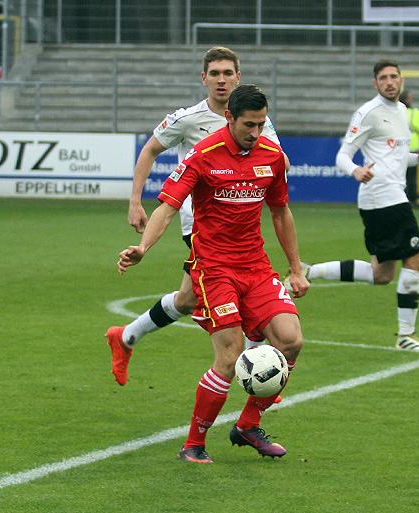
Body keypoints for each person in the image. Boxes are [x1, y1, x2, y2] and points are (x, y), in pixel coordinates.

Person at [117, 84, 309, 463]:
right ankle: (193, 444)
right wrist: (143, 248)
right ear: (229, 118)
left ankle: (247, 425)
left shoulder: (271, 156)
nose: (256, 132)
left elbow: (280, 212)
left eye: (261, 124)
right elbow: (168, 207)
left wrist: (295, 268)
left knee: (291, 342)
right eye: (249, 125)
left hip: (255, 265)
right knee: (231, 354)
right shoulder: (202, 155)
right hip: (214, 268)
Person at [105, 46, 287, 386]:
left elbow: (281, 161)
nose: (221, 80)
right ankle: (262, 378)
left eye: (228, 73)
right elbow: (150, 149)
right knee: (245, 301)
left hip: (240, 223)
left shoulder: (255, 121)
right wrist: (135, 200)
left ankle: (126, 336)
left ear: (238, 77)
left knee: (188, 299)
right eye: (214, 73)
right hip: (201, 225)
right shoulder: (187, 119)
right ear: (204, 78)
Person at [294, 59, 419, 353]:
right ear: (375, 83)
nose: (389, 82)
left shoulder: (402, 111)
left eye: (394, 76)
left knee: (382, 274)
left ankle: (309, 272)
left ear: (401, 80)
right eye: (383, 78)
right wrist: (355, 171)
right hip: (384, 196)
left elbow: (396, 158)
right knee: (416, 258)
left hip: (388, 196)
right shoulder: (368, 112)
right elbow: (343, 156)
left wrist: (418, 159)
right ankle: (406, 335)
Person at [399, 89, 419, 204]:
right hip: (413, 145)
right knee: (411, 176)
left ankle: (400, 199)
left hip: (399, 145)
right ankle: (412, 199)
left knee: (400, 175)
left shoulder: (396, 110)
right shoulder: (415, 112)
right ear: (407, 100)